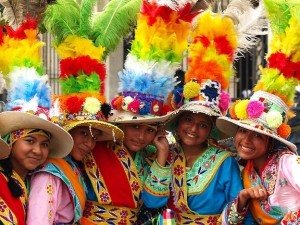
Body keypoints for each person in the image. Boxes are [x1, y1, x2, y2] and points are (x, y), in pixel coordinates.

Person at [80, 0, 200, 224]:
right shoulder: (96, 145)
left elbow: (153, 203)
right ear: (121, 123)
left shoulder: (151, 157)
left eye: (149, 130)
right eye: (135, 126)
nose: (142, 136)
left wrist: (162, 156)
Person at [141, 9, 262, 224]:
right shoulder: (166, 154)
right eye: (189, 120)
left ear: (211, 130)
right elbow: (151, 203)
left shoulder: (224, 162)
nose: (193, 129)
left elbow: (241, 213)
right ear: (178, 122)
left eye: (203, 124)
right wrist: (161, 156)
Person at [25, 0, 126, 224]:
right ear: (67, 130)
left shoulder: (72, 166)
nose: (89, 143)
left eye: (94, 136)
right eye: (83, 133)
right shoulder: (50, 174)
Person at [216, 0, 300, 224]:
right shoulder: (246, 170)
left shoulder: (288, 163)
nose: (246, 140)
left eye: (257, 135)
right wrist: (243, 198)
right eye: (244, 131)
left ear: (271, 140)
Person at [0, 17, 73, 225]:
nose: (38, 150)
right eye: (30, 141)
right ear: (11, 140)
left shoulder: (28, 180)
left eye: (44, 144)